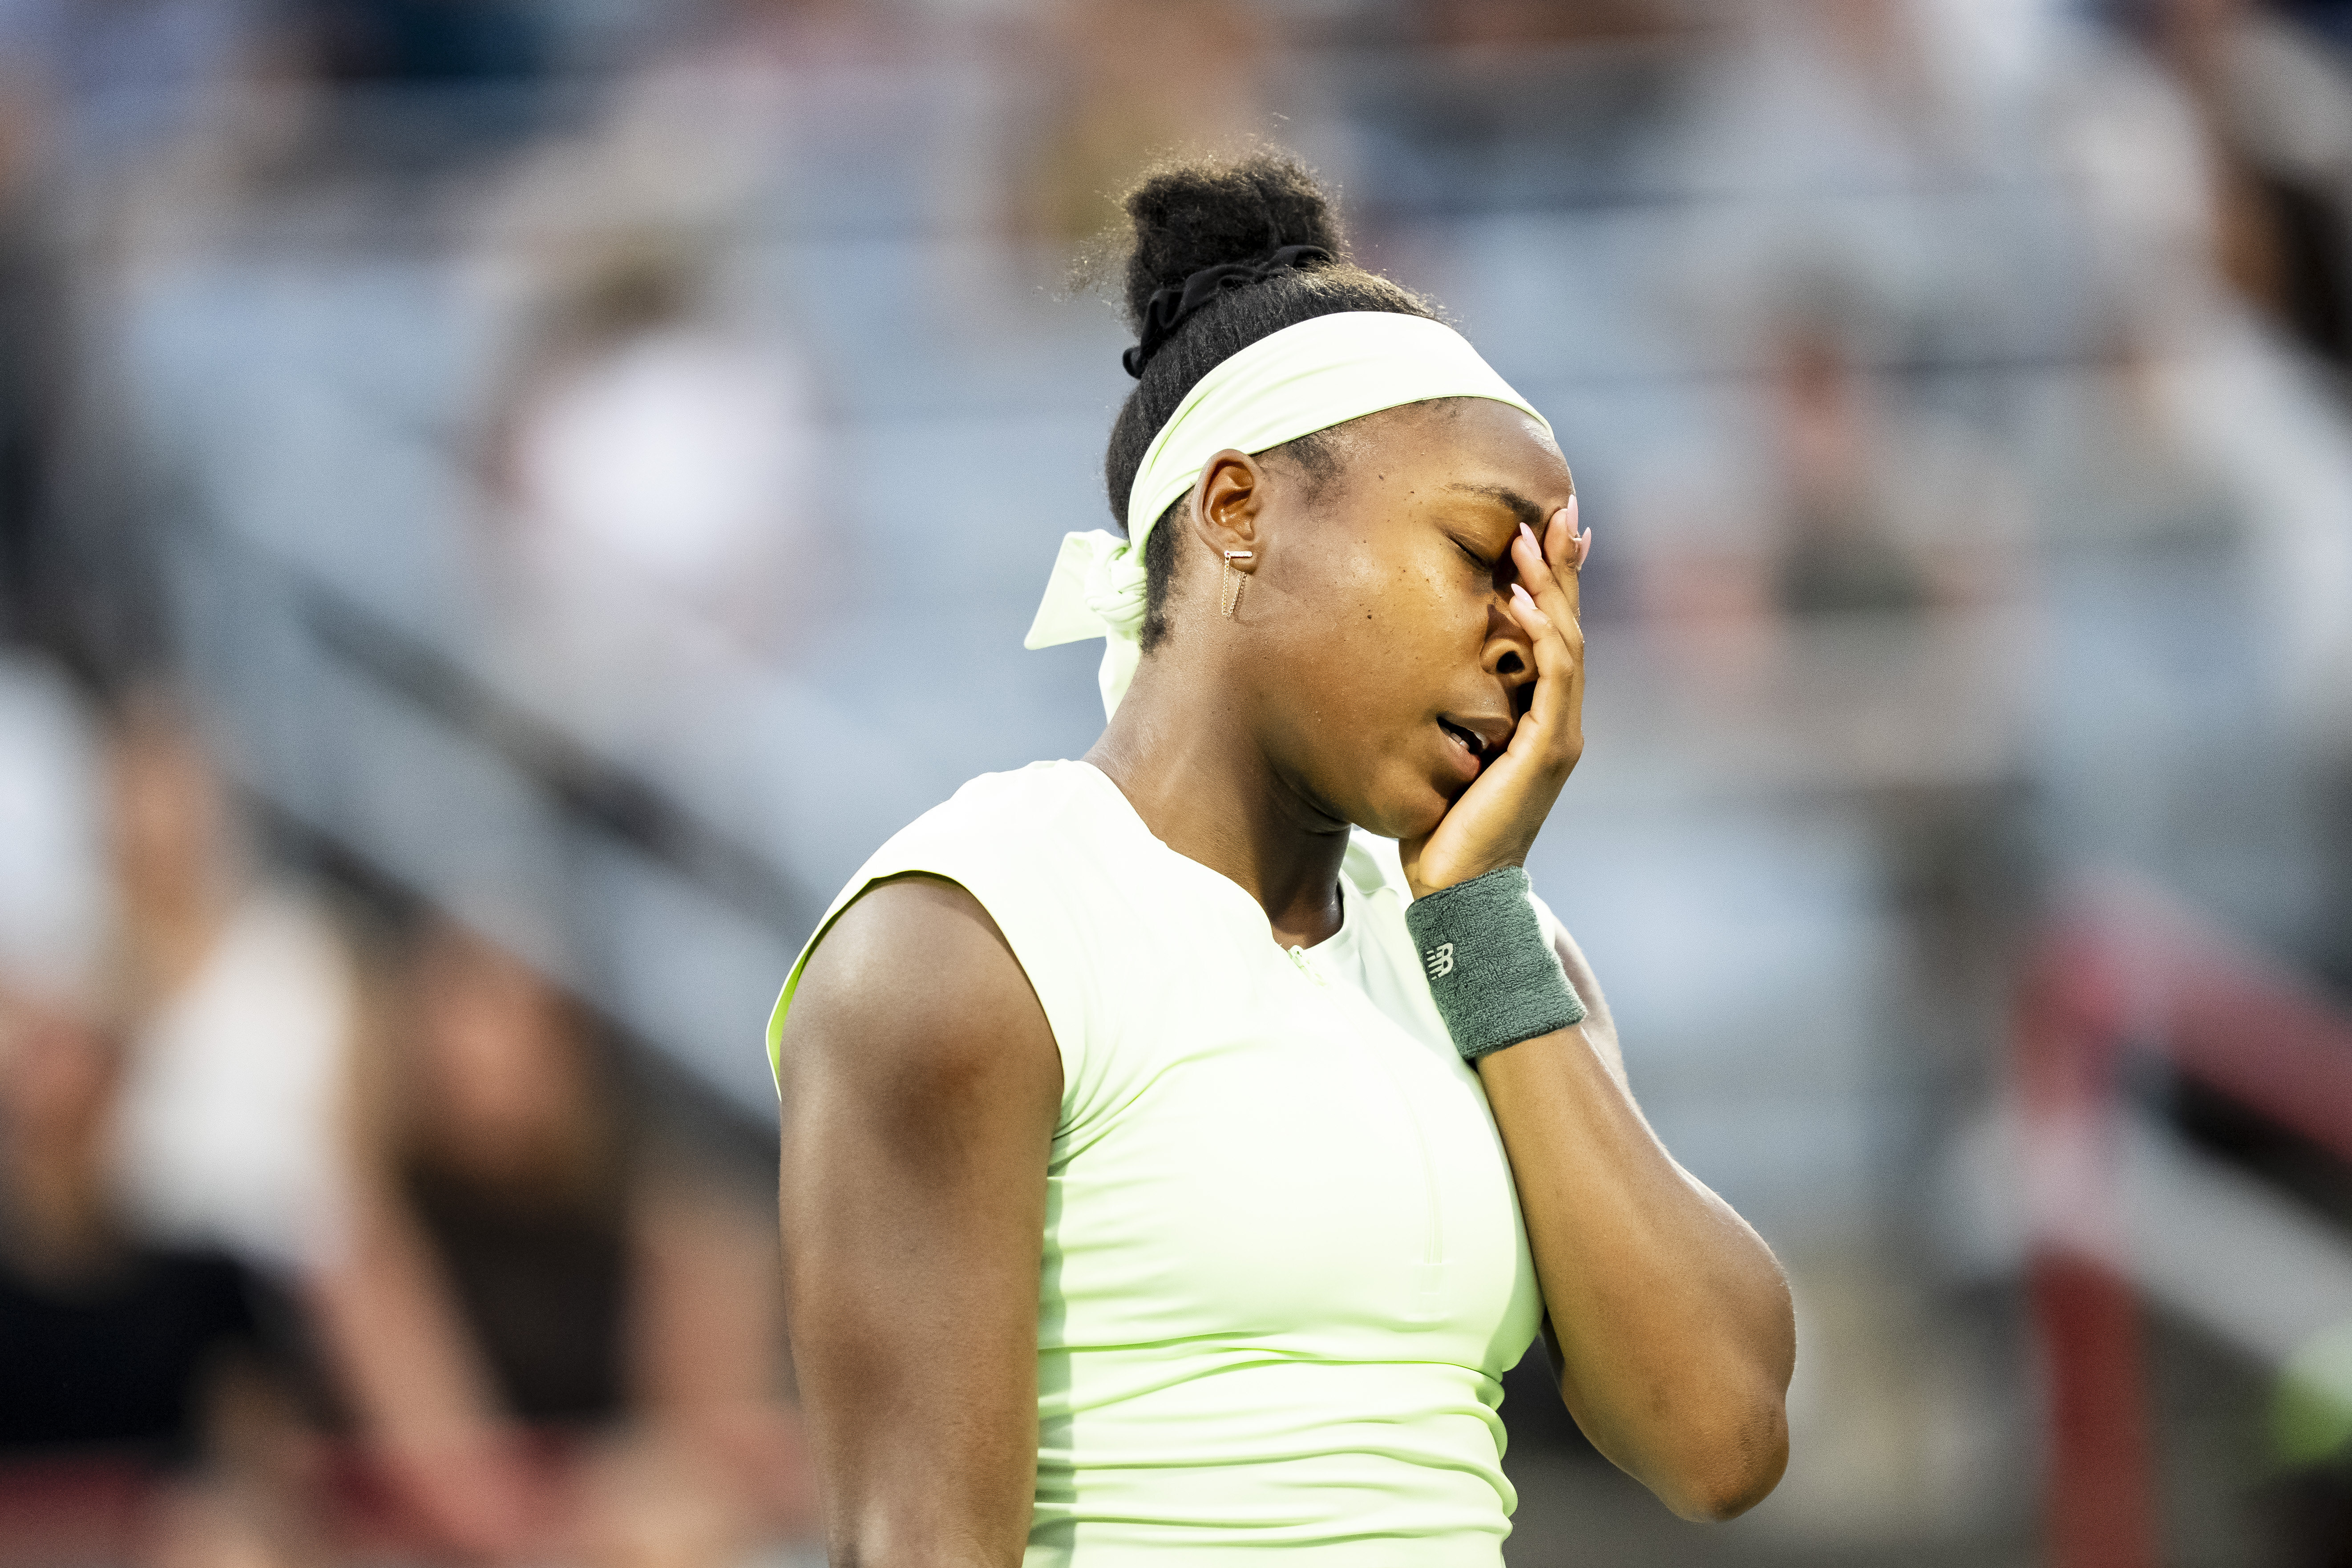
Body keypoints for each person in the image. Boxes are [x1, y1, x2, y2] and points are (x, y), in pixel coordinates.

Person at [772, 150, 1794, 1564]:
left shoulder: (1493, 956)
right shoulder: (970, 937)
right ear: (1239, 511)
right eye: (1484, 555)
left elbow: (1723, 1436)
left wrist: (1481, 920)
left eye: (1552, 585)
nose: (1530, 637)